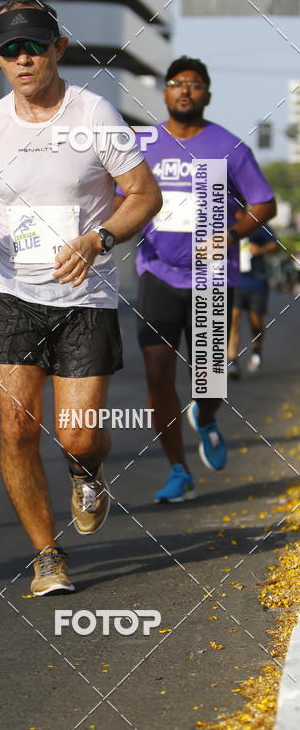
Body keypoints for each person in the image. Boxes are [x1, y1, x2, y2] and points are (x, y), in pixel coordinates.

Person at [0, 0, 162, 595]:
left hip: (84, 296)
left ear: (58, 48)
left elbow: (145, 195)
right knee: (16, 428)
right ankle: (47, 555)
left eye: (34, 46)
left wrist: (100, 238)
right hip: (14, 294)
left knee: (77, 433)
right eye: (10, 49)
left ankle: (87, 471)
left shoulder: (95, 113)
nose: (23, 58)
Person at [116, 56, 276, 504]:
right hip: (157, 274)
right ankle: (178, 470)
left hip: (209, 277)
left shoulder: (228, 146)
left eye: (194, 84)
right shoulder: (143, 143)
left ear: (207, 93)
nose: (184, 90)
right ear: (165, 93)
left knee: (210, 378)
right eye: (175, 84)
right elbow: (116, 197)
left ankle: (205, 417)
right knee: (156, 372)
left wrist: (232, 232)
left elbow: (264, 203)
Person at [228, 223, 279, 377]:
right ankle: (232, 362)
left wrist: (260, 249)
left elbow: (275, 245)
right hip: (234, 281)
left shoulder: (257, 224)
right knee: (233, 319)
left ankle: (257, 349)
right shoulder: (225, 223)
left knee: (255, 320)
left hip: (256, 281)